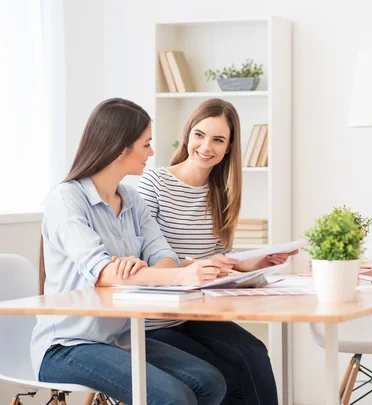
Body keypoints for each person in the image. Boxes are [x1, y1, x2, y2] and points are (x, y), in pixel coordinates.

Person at [32, 98, 232, 405]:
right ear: (120, 147)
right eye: (146, 144)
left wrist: (135, 269)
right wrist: (127, 271)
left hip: (120, 339)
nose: (152, 153)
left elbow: (165, 258)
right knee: (174, 398)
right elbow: (102, 273)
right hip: (68, 345)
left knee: (210, 382)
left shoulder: (131, 199)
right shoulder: (66, 199)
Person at [136, 98, 296, 405]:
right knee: (223, 378)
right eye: (200, 134)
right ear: (188, 135)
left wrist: (257, 263)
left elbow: (222, 259)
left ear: (229, 148)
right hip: (153, 320)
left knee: (254, 352)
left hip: (195, 313)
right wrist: (196, 266)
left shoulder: (220, 194)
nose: (206, 146)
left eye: (218, 139)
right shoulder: (154, 183)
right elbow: (143, 257)